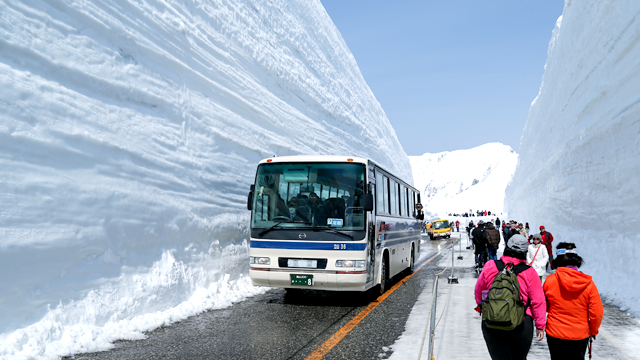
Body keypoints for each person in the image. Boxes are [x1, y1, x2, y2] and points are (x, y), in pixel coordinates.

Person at [475, 235, 546, 360]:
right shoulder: (529, 272)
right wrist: (540, 325)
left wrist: (486, 309)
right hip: (522, 323)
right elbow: (538, 301)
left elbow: (479, 291)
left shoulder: (490, 265)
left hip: (492, 321)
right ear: (525, 251)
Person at [544, 242, 603, 360]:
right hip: (580, 334)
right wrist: (594, 330)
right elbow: (597, 312)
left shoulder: (550, 281)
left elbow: (544, 306)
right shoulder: (588, 283)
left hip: (555, 332)